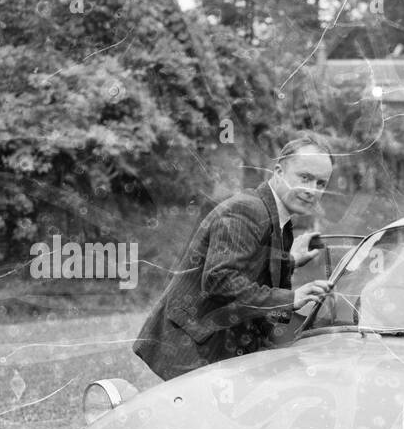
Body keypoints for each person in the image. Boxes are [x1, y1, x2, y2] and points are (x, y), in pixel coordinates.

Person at [132, 135, 335, 381]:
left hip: (216, 343)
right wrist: (291, 298)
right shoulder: (247, 210)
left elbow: (249, 263)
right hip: (194, 346)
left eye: (321, 183)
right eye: (305, 177)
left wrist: (289, 261)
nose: (312, 190)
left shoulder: (277, 217)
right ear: (279, 171)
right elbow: (220, 280)